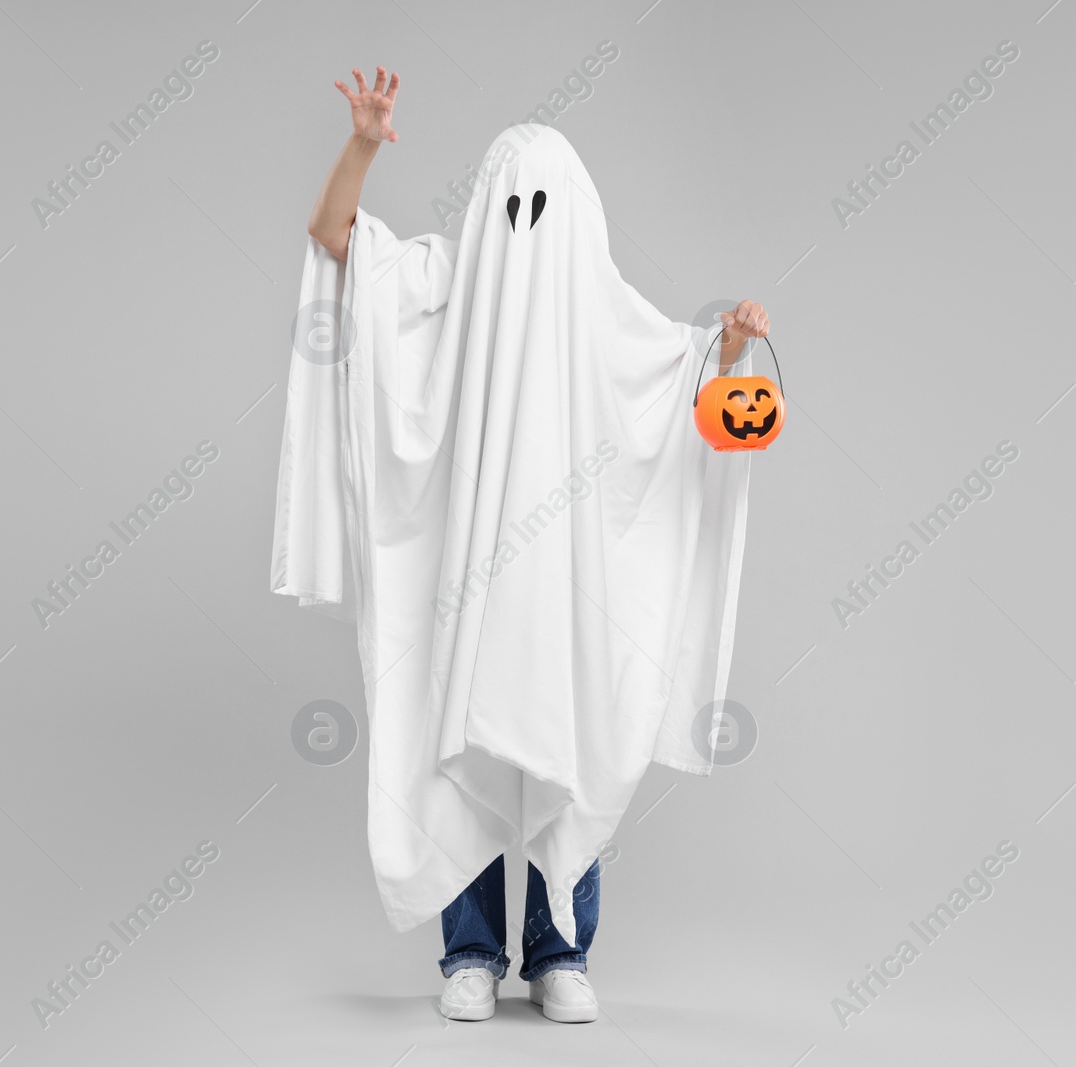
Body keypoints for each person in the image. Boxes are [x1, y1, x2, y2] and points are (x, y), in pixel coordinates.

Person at [278, 66, 767, 1024]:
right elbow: (337, 241)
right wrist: (365, 143)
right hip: (464, 574)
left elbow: (681, 388)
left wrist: (737, 348)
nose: (527, 226)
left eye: (546, 207)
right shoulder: (446, 283)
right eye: (513, 206)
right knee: (454, 726)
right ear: (484, 208)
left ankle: (559, 950)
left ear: (580, 217)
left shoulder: (605, 314)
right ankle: (469, 948)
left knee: (559, 731)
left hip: (567, 586)